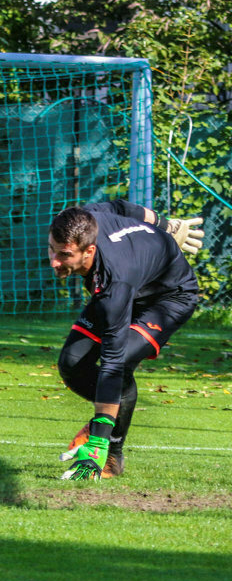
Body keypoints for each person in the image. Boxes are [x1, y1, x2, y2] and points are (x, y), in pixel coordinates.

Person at [49, 199, 203, 480]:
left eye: (64, 255)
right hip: (129, 284)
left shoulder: (114, 282)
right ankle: (108, 417)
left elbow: (112, 362)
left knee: (119, 369)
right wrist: (166, 225)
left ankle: (110, 454)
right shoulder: (82, 218)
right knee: (71, 364)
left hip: (168, 298)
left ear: (89, 250)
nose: (54, 261)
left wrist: (98, 438)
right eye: (52, 249)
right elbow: (120, 206)